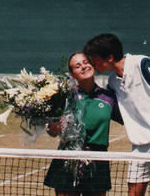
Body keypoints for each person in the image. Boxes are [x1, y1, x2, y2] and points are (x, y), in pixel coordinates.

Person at [83, 33, 150, 196]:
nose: (91, 63)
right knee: (133, 192)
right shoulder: (112, 82)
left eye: (94, 58)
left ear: (109, 57)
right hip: (139, 146)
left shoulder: (142, 64)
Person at [44, 52, 123, 196]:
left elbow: (129, 119)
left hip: (98, 160)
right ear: (72, 74)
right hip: (67, 159)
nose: (83, 67)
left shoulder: (109, 98)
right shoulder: (65, 97)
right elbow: (51, 129)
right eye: (77, 66)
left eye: (86, 62)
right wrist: (54, 128)